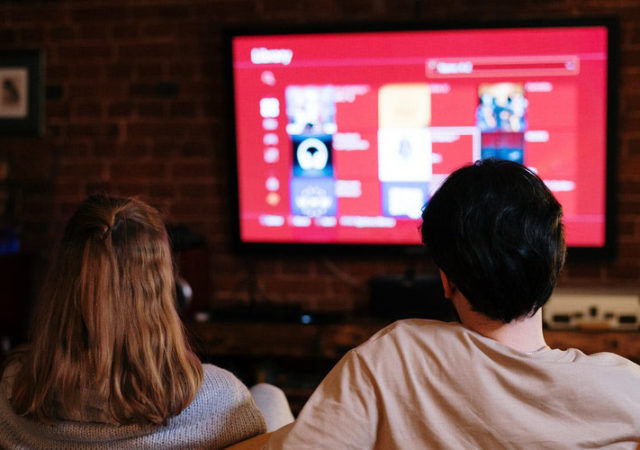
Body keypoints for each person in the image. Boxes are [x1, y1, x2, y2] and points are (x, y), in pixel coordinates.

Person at [256, 159, 640, 448]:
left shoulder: (393, 356)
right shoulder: (626, 387)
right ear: (555, 266)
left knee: (268, 398)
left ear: (447, 279)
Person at [0, 195, 268, 449]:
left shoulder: (13, 391)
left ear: (62, 286)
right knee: (269, 394)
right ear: (164, 289)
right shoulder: (221, 399)